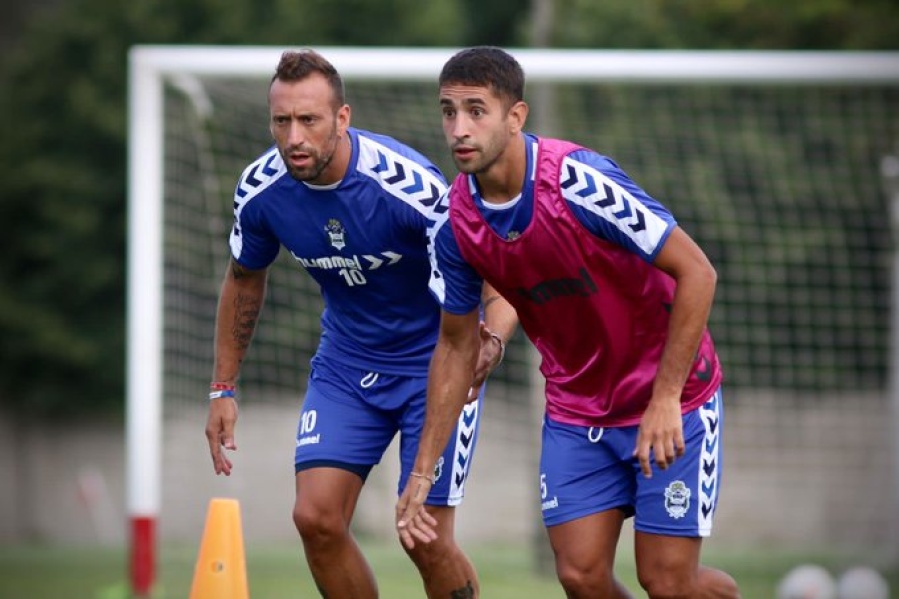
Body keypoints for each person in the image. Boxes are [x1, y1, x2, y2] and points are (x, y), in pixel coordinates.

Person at [396, 46, 741, 599]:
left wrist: (665, 398)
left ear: (516, 116)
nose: (459, 128)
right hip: (577, 410)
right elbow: (456, 346)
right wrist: (421, 473)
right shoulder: (454, 227)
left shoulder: (578, 182)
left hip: (673, 399)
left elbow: (697, 271)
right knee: (579, 575)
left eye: (476, 110)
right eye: (448, 111)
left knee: (668, 581)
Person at [204, 49, 517, 599]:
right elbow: (244, 277)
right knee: (315, 519)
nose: (294, 137)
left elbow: (492, 272)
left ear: (342, 118)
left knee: (423, 537)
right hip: (348, 366)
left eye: (310, 120)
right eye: (282, 121)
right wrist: (223, 386)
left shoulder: (408, 188)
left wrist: (491, 337)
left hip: (435, 366)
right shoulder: (260, 191)